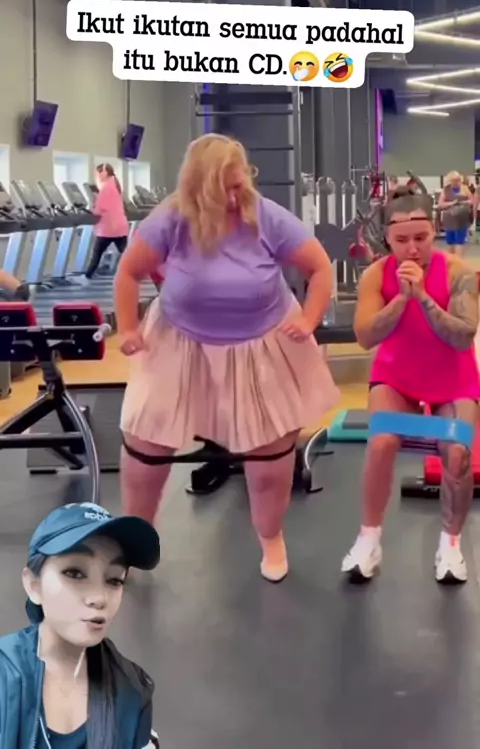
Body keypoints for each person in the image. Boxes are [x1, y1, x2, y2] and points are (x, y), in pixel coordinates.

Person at [114, 133, 340, 583]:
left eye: (241, 184)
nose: (236, 197)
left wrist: (310, 319)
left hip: (262, 340)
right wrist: (128, 328)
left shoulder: (266, 216)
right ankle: (135, 540)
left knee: (269, 455)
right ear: (199, 187)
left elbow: (319, 268)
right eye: (226, 189)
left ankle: (271, 538)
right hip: (180, 339)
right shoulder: (172, 218)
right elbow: (129, 272)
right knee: (145, 443)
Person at [341, 186, 480, 584]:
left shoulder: (458, 273)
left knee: (457, 453)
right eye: (402, 240)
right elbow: (365, 337)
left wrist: (423, 298)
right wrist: (401, 299)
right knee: (382, 442)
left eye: (421, 237)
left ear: (434, 230)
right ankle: (369, 540)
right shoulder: (376, 275)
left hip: (452, 379)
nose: (413, 248)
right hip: (397, 377)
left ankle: (450, 545)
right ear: (388, 238)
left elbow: (463, 337)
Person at [0, 502, 161, 748]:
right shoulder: (4, 677)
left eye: (114, 580)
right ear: (33, 585)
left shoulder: (131, 691)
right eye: (75, 573)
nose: (99, 598)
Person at [75, 163, 130, 284]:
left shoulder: (106, 188)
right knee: (126, 253)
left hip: (109, 229)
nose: (97, 176)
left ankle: (87, 277)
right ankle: (136, 274)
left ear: (104, 173)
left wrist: (92, 210)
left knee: (97, 253)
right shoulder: (115, 185)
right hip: (120, 227)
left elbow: (100, 208)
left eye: (98, 173)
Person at [438, 170, 473, 257]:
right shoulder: (446, 190)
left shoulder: (464, 188)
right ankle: (451, 261)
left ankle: (459, 261)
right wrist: (452, 203)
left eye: (458, 180)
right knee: (451, 242)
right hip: (449, 219)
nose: (456, 183)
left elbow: (472, 201)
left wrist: (465, 202)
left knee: (459, 241)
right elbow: (440, 204)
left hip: (462, 218)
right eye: (454, 181)